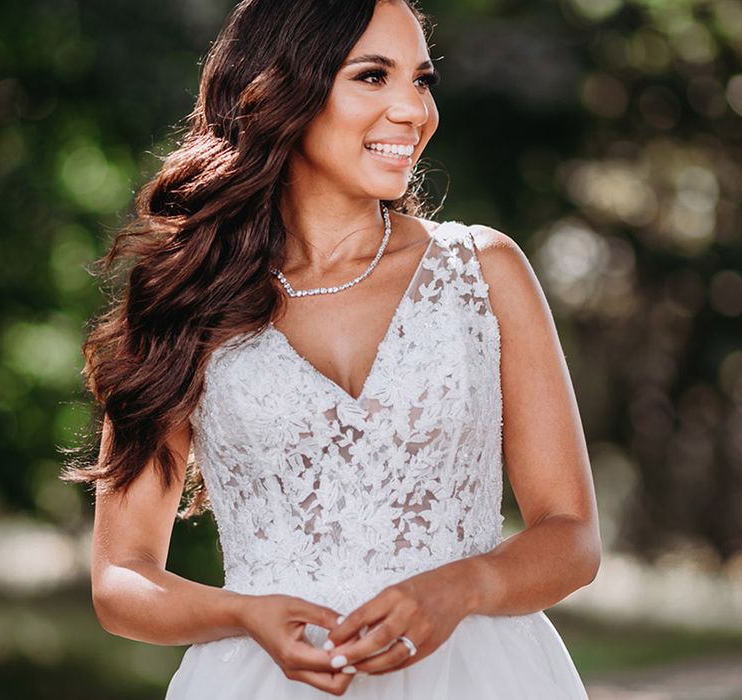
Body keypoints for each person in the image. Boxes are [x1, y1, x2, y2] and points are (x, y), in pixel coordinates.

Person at [62, 0, 602, 697]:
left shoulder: (484, 271)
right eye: (373, 76)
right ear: (283, 88)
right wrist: (243, 613)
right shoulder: (186, 301)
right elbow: (120, 578)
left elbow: (572, 535)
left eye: (422, 79)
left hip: (480, 675)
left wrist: (465, 585)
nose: (414, 110)